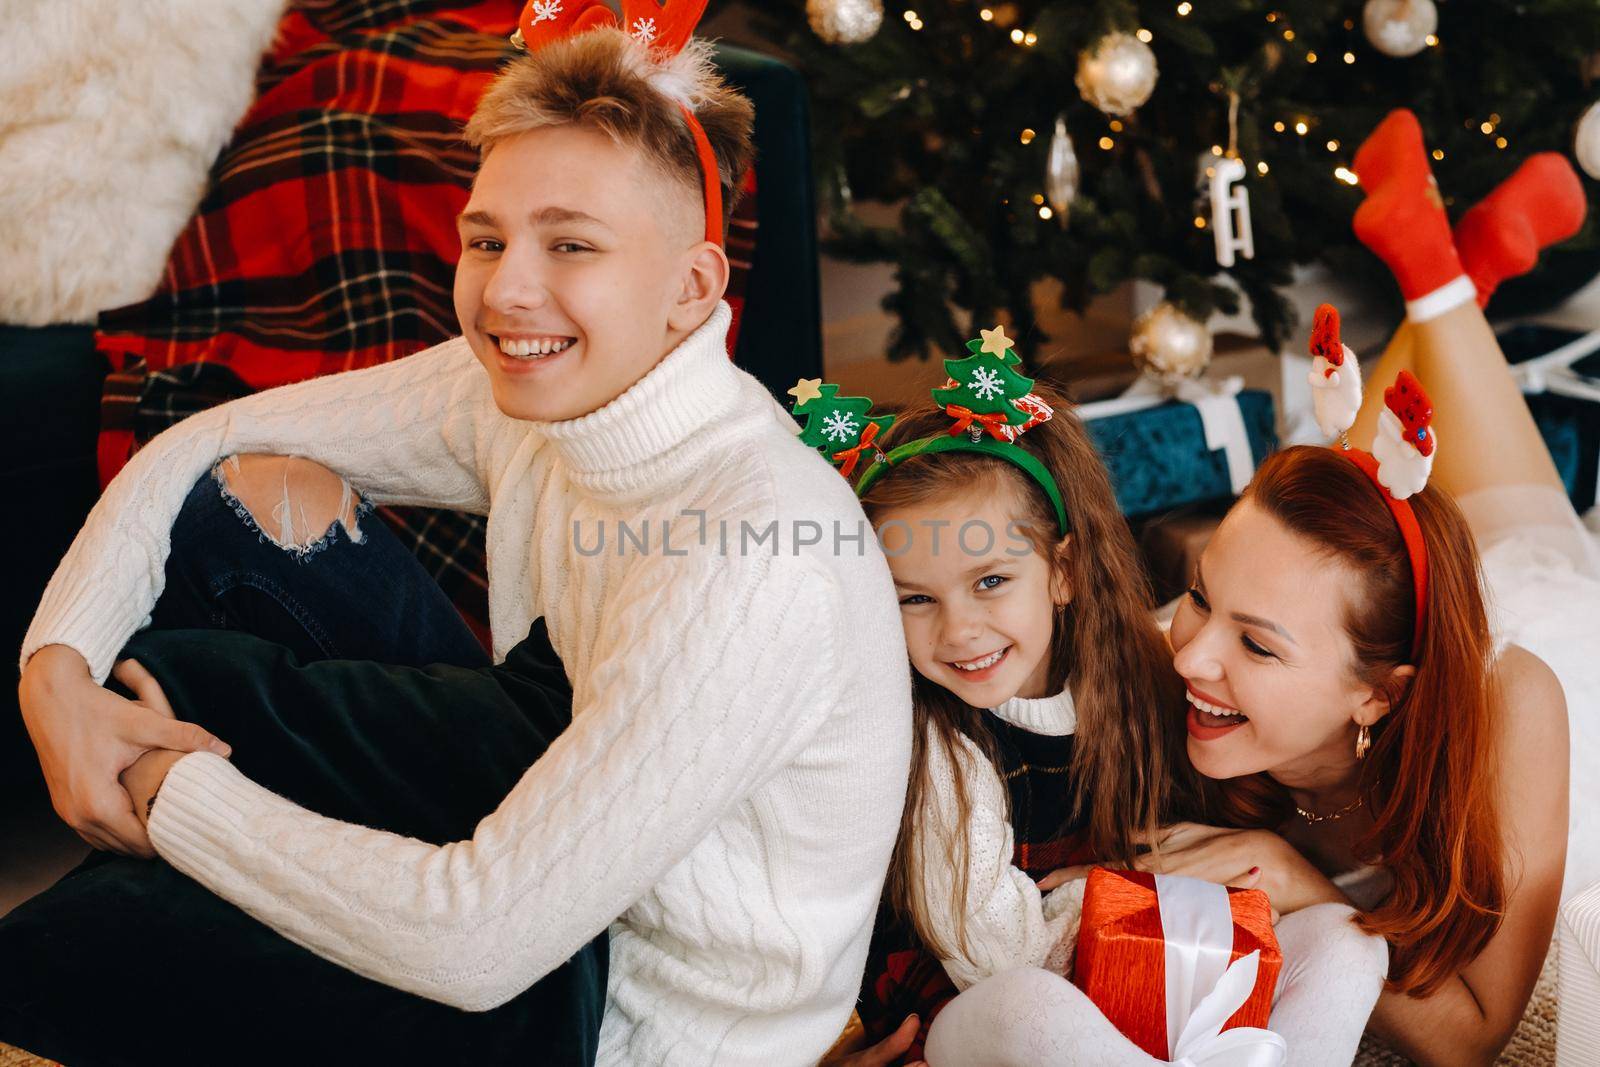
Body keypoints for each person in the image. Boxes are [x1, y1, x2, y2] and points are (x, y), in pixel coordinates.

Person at [5, 17, 912, 1066]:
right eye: (487, 240)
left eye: (570, 244)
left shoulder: (751, 550)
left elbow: (479, 942)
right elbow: (209, 440)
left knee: (74, 952)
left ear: (692, 288)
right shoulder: (538, 386)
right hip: (540, 838)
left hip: (619, 1017)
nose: (507, 291)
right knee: (234, 511)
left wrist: (173, 796)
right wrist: (56, 678)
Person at [817, 340, 1388, 1067]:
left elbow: (1217, 853)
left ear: (1063, 571)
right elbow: (999, 959)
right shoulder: (938, 747)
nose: (959, 629)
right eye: (916, 598)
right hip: (992, 1020)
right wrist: (1125, 894)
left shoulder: (1126, 676)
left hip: (1144, 980)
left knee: (1343, 935)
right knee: (1030, 1002)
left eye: (990, 581)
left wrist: (1201, 927)